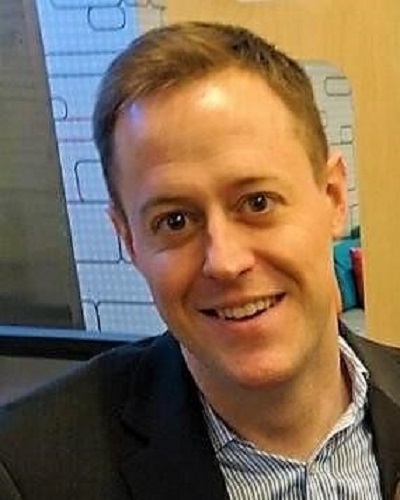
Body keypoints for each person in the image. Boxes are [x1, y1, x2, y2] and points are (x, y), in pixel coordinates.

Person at [0, 21, 399, 500]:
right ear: (129, 241)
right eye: (174, 221)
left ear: (333, 197)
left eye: (257, 203)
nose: (225, 262)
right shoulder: (28, 470)